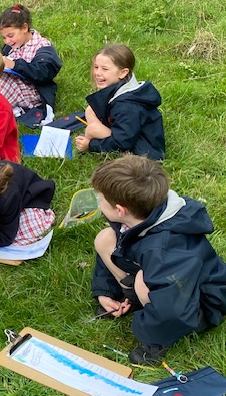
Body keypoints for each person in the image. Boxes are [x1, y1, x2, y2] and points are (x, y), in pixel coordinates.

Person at [90, 155, 226, 364]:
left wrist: (147, 331)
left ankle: (158, 342)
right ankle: (128, 297)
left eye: (100, 200)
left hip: (197, 301)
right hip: (165, 278)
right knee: (105, 239)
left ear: (120, 210)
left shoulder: (164, 250)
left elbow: (174, 309)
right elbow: (120, 248)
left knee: (143, 282)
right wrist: (106, 291)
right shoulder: (142, 215)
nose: (98, 204)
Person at [75, 44, 165, 160]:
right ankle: (95, 137)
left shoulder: (128, 107)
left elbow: (123, 141)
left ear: (123, 73)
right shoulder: (124, 88)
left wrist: (91, 145)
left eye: (105, 69)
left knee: (92, 129)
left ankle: (89, 144)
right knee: (90, 110)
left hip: (142, 152)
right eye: (96, 67)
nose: (97, 73)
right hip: (128, 134)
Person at [0, 3, 62, 123]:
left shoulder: (42, 47)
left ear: (24, 28)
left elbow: (43, 73)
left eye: (10, 35)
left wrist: (14, 65)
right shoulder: (11, 46)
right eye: (4, 37)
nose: (7, 41)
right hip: (12, 84)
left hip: (31, 91)